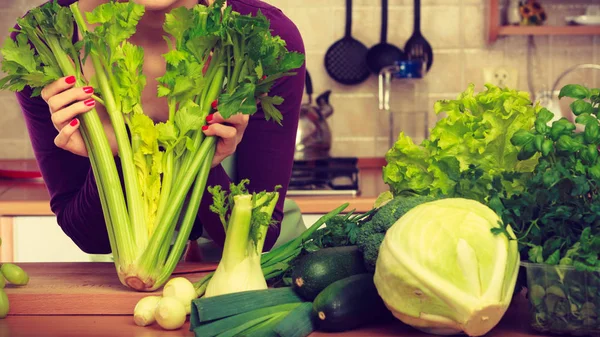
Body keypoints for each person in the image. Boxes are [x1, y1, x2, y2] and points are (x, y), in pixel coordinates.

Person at [12, 0, 306, 257]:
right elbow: (93, 240)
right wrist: (114, 151)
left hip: (258, 272)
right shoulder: (43, 39)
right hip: (128, 284)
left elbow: (258, 237)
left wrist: (202, 159)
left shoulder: (268, 36)